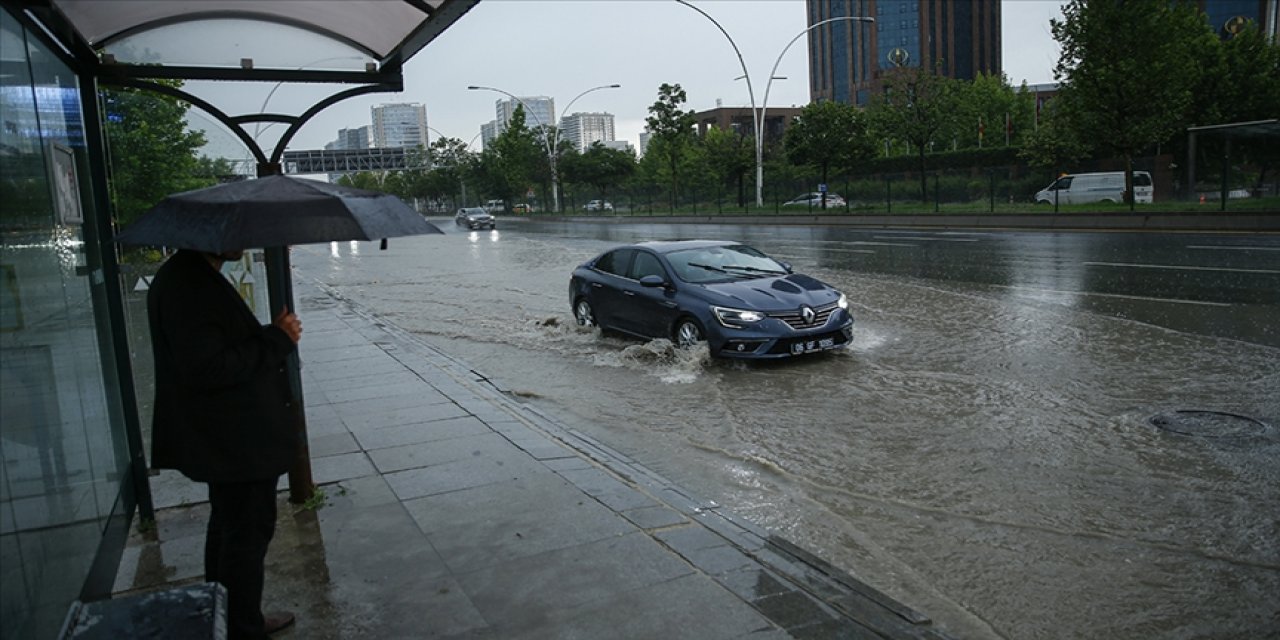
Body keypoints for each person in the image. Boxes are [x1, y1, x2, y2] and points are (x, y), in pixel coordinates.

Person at [147, 248, 301, 639]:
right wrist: (277, 339)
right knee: (246, 536)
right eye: (234, 233)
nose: (243, 240)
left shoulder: (189, 275)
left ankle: (226, 615)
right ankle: (241, 627)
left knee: (230, 528)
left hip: (226, 438)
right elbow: (209, 367)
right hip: (234, 440)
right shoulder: (189, 286)